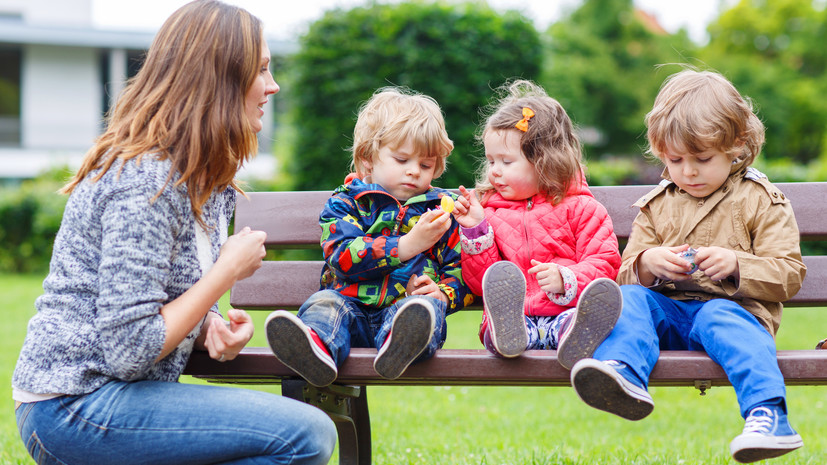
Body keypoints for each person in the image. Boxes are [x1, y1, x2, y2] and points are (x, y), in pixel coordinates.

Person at [11, 2, 337, 464]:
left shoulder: (207, 183)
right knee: (304, 434)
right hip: (74, 406)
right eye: (261, 70)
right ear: (219, 78)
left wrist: (210, 329)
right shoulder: (146, 181)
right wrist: (224, 273)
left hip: (116, 398)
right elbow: (129, 349)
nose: (273, 85)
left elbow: (160, 300)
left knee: (299, 435)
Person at [569, 69, 806, 463]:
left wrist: (736, 264)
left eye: (702, 158)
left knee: (718, 315)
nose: (689, 171)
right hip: (670, 314)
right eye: (675, 159)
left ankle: (769, 414)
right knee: (630, 297)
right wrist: (648, 263)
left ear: (737, 145)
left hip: (734, 317)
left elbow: (789, 274)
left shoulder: (761, 199)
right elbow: (625, 272)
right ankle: (624, 373)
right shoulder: (657, 204)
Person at [265, 87, 471, 387]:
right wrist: (407, 245)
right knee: (324, 303)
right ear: (368, 159)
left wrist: (441, 292)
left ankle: (398, 347)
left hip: (402, 313)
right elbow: (342, 256)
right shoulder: (346, 203)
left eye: (425, 165)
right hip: (350, 312)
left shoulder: (440, 212)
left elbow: (462, 269)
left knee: (424, 311)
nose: (414, 171)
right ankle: (315, 352)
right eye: (402, 160)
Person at [451, 79, 622, 369]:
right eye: (491, 161)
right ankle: (508, 333)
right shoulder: (489, 211)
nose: (495, 172)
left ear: (544, 161)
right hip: (516, 319)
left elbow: (605, 263)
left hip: (566, 311)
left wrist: (566, 278)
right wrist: (476, 229)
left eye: (506, 162)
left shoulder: (582, 208)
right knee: (497, 327)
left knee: (574, 321)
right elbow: (481, 282)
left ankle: (577, 339)